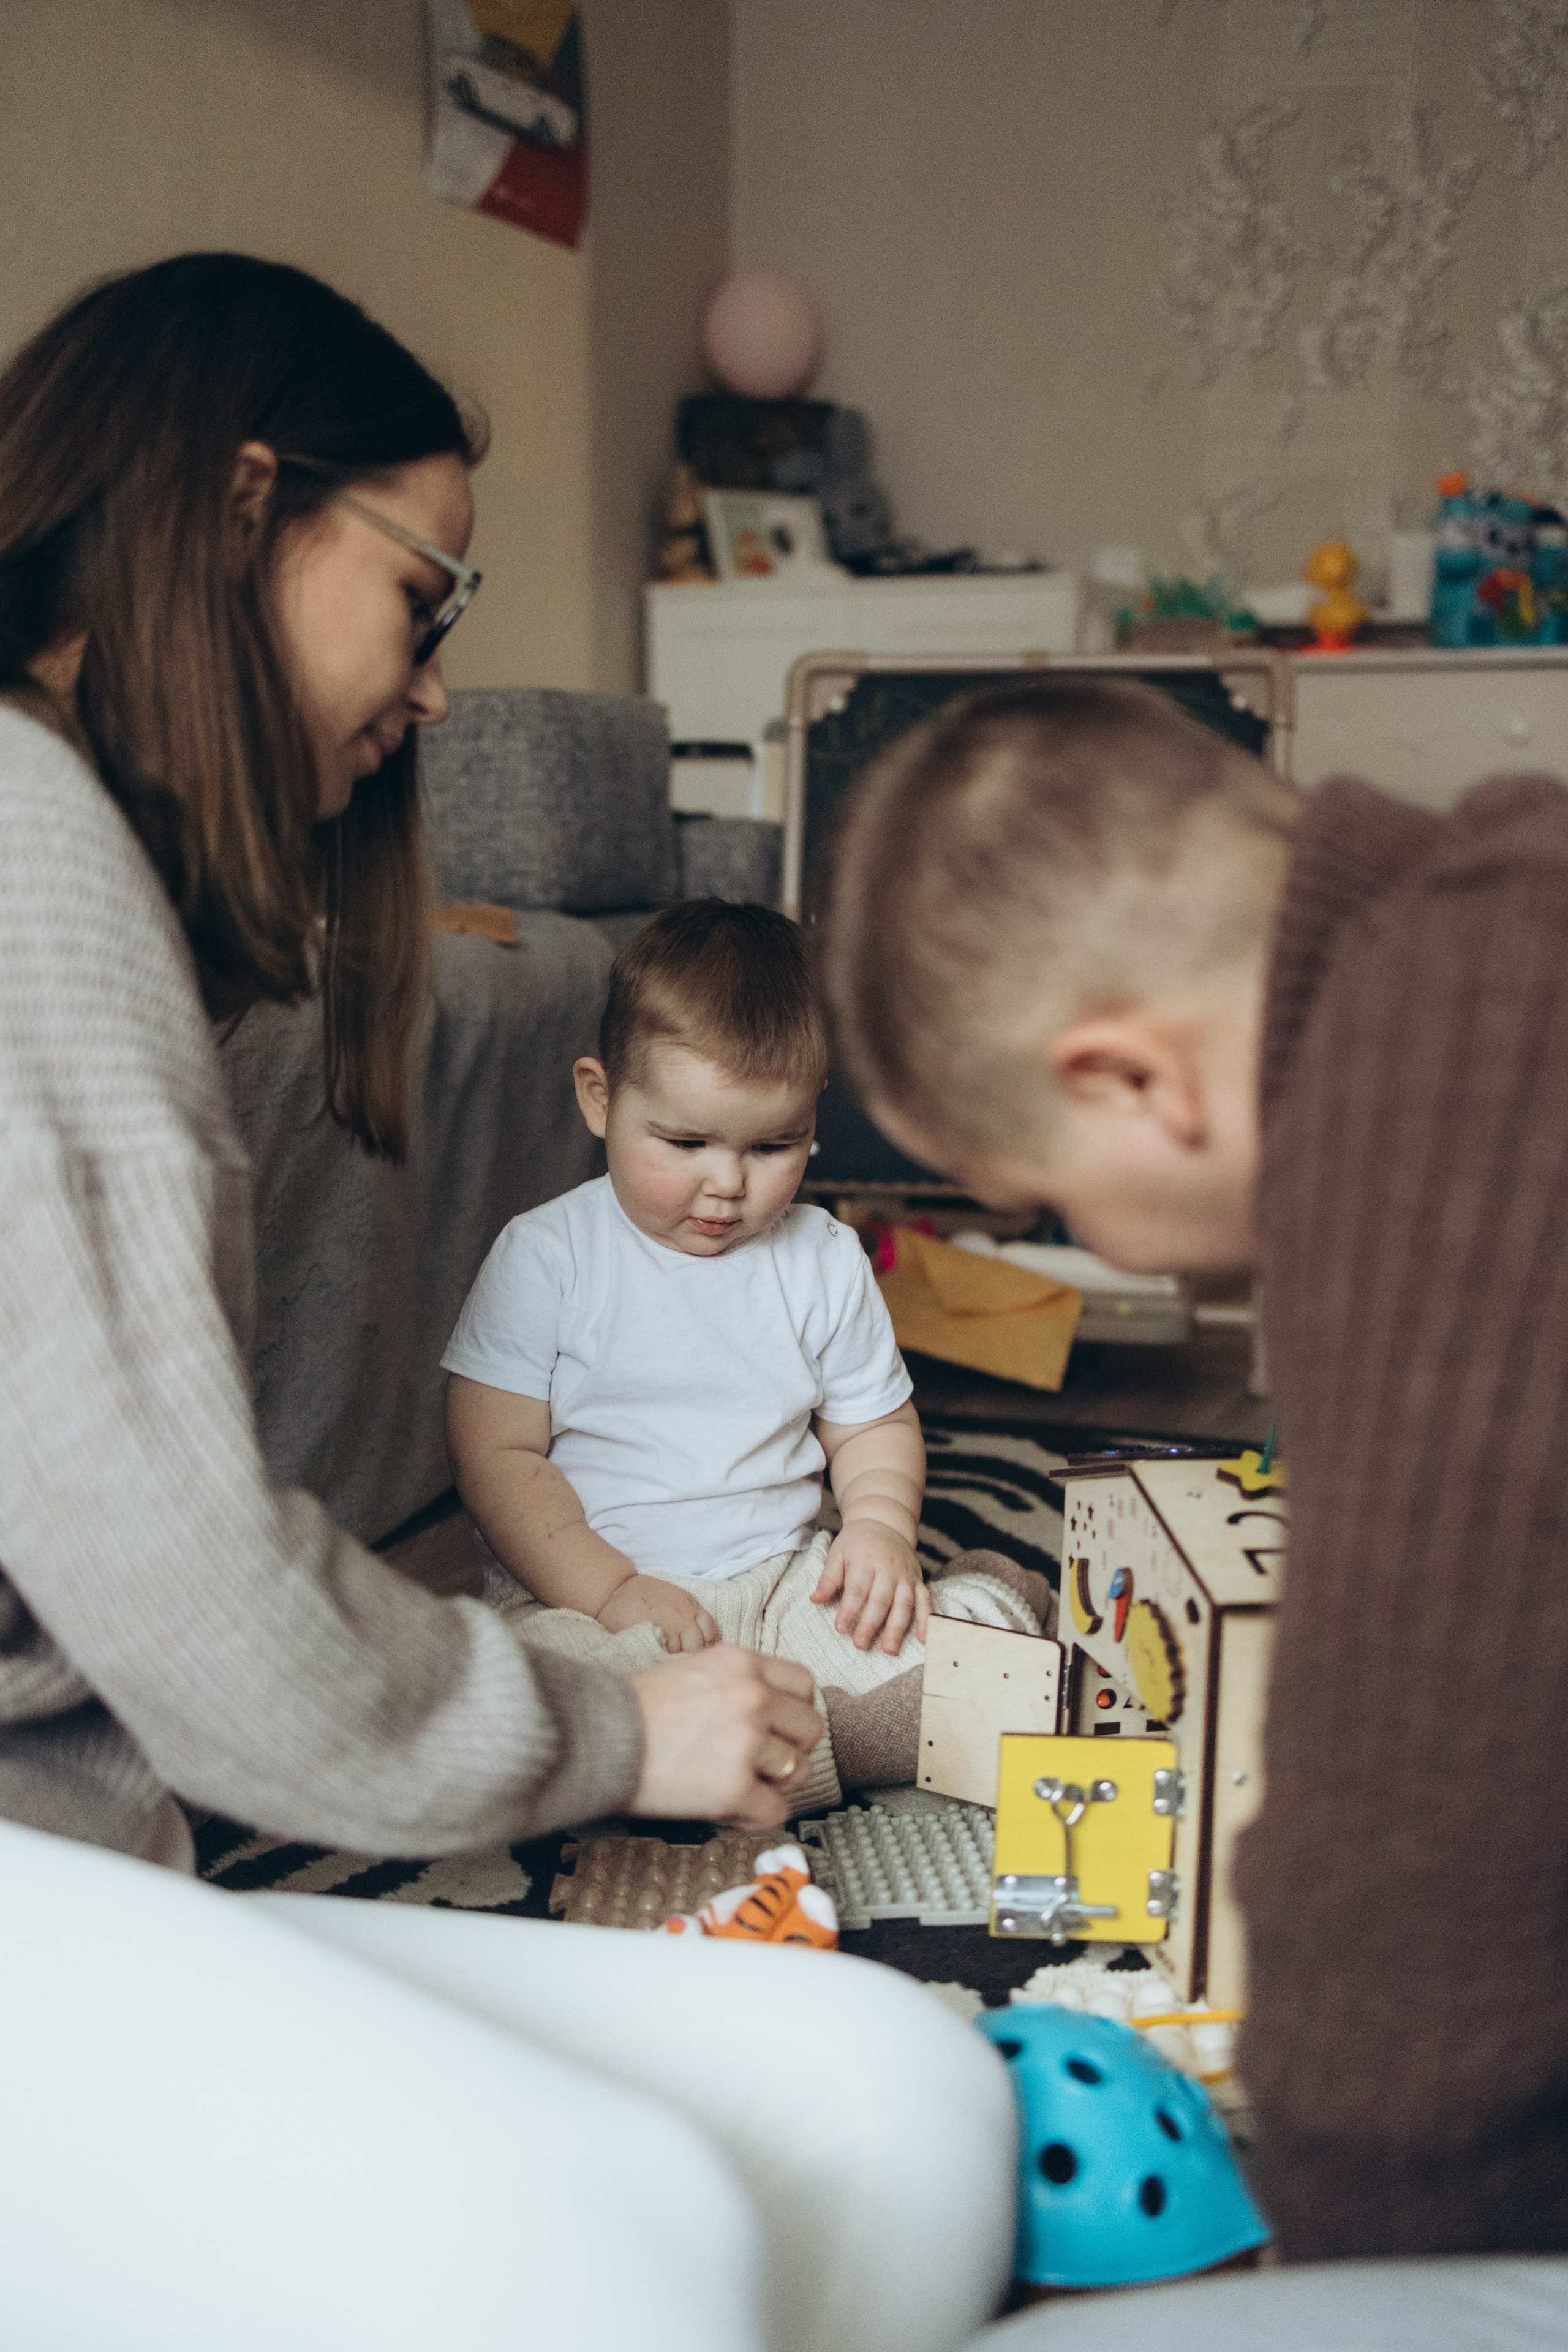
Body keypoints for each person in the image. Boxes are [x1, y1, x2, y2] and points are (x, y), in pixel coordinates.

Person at [0, 254, 1014, 2352]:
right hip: (56, 1914)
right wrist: (618, 1726)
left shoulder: (73, 853)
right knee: (675, 2225)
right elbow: (215, 1629)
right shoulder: (37, 884)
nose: (441, 689)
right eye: (425, 596)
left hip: (106, 1869)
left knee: (903, 2093)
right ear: (245, 507)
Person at [818, 674, 1568, 2265]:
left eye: (1048, 1205)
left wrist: (1356, 2250)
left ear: (1130, 1081)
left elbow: (1423, 1823)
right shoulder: (1497, 879)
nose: (1090, 1245)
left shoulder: (1436, 1078)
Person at [444, 899, 1047, 1805]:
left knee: (938, 1648)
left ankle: (960, 1627)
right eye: (685, 1142)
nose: (727, 1184)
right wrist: (610, 1592)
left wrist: (880, 1531)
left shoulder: (823, 1257)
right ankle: (836, 1738)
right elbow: (496, 1455)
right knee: (527, 1705)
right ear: (600, 1099)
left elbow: (872, 1427)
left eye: (774, 1145)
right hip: (588, 1597)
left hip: (781, 1588)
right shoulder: (547, 1256)